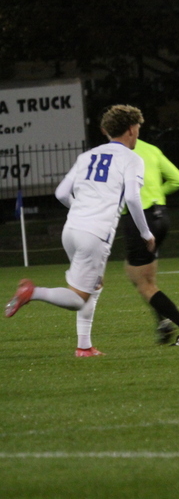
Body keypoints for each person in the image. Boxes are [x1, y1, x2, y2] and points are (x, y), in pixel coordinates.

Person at [4, 105, 155, 357]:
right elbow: (132, 197)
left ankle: (84, 347)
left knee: (94, 286)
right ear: (131, 129)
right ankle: (32, 292)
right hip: (94, 235)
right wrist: (145, 233)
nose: (138, 134)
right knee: (78, 298)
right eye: (138, 129)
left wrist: (81, 210)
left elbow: (61, 193)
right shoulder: (131, 159)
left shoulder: (87, 156)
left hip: (71, 230)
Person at [120, 138, 179, 346]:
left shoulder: (115, 154)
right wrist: (158, 194)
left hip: (140, 218)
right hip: (161, 216)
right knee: (141, 277)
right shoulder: (151, 149)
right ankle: (163, 320)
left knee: (143, 283)